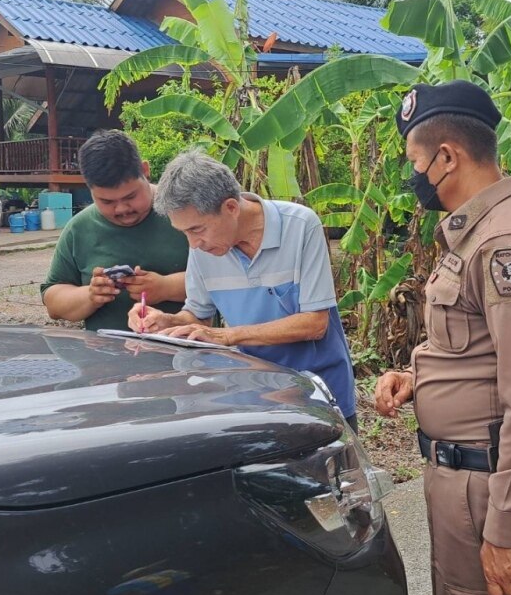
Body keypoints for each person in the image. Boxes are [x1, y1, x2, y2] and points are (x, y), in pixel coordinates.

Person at [372, 81, 511, 595]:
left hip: (487, 486)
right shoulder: (473, 234)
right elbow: (472, 343)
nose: (413, 176)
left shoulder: (505, 245)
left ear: (447, 157)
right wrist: (417, 377)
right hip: (462, 479)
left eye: (415, 162)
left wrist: (506, 529)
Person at [127, 149, 359, 431]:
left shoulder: (300, 226)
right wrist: (167, 321)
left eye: (197, 229)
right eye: (184, 233)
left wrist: (226, 335)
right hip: (252, 395)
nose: (193, 244)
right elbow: (199, 318)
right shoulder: (205, 249)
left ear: (231, 208)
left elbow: (315, 323)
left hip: (317, 393)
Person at [42, 130, 189, 332]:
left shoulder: (187, 213)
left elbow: (224, 278)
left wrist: (166, 287)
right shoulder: (79, 229)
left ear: (145, 171)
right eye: (106, 201)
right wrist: (91, 295)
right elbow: (53, 302)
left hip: (187, 358)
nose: (121, 209)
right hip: (105, 360)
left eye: (130, 196)